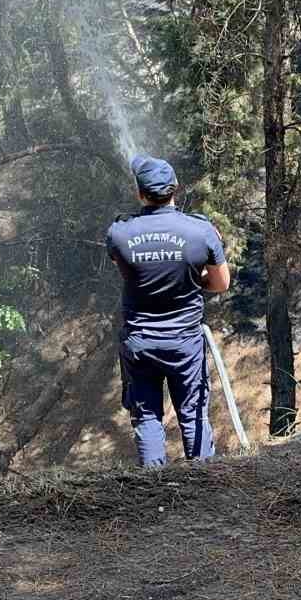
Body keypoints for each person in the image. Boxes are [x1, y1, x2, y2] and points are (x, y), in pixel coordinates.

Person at [106, 155, 231, 467]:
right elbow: (220, 284)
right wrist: (191, 274)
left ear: (140, 193)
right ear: (176, 189)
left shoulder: (119, 234)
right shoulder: (201, 232)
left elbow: (127, 271)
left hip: (140, 343)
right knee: (193, 414)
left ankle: (155, 489)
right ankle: (204, 486)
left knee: (147, 417)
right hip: (185, 343)